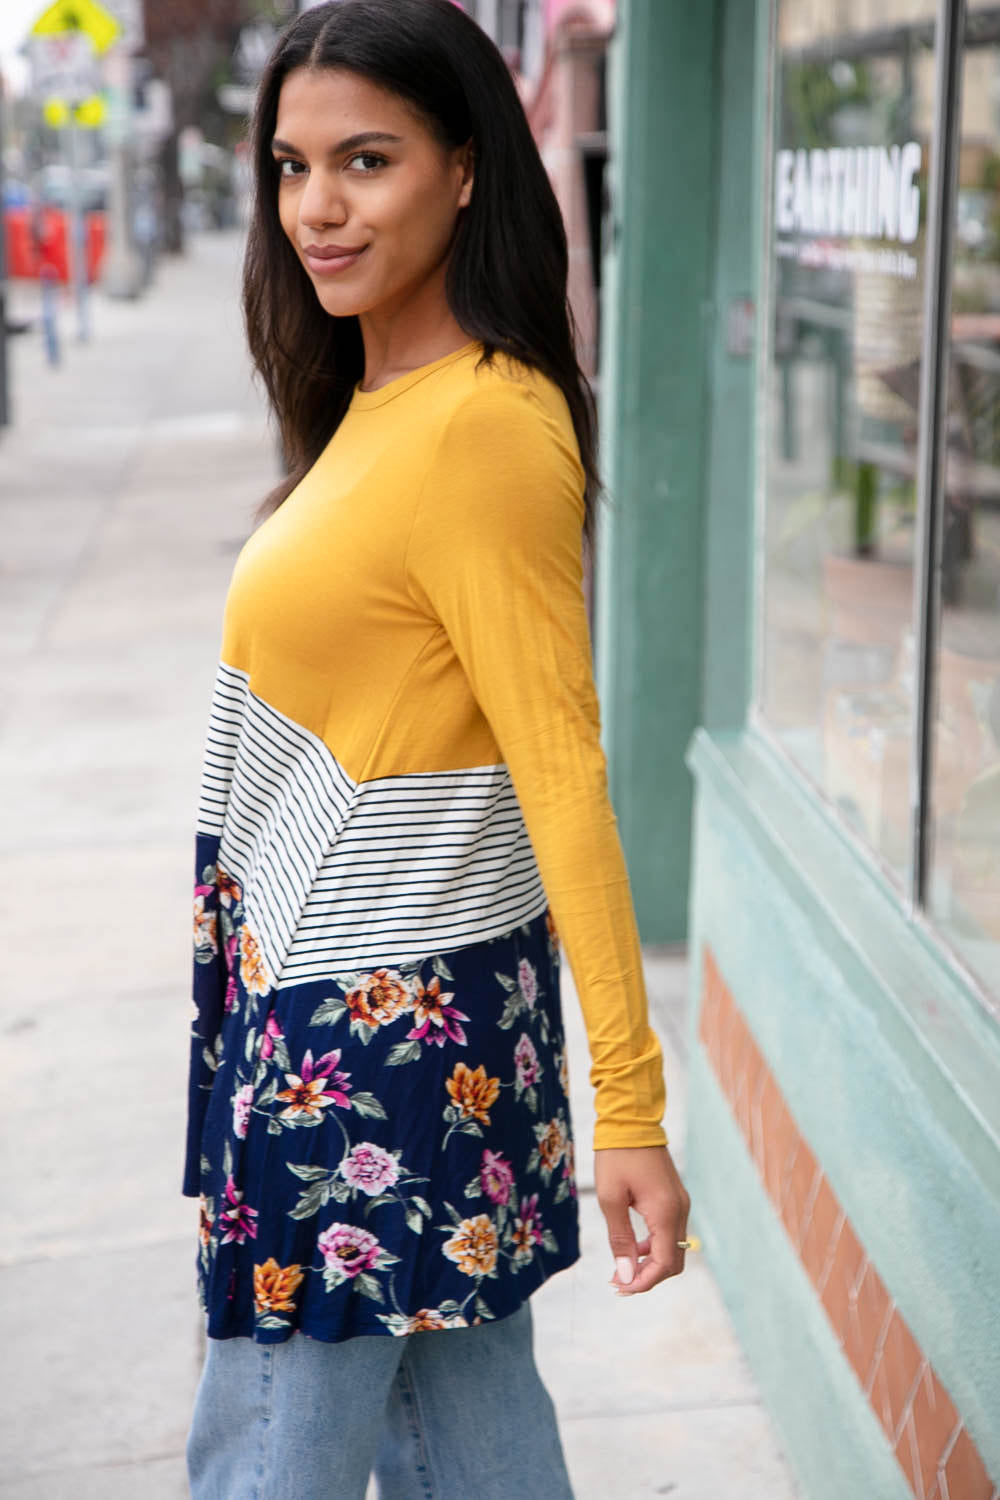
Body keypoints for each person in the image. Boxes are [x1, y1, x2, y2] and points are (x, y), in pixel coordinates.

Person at [183, 2, 690, 1495]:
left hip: (368, 1058)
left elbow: (564, 771)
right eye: (291, 165)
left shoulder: (480, 428)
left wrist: (635, 1109)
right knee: (468, 1443)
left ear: (468, 171)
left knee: (269, 1456)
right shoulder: (378, 399)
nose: (317, 208)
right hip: (373, 1029)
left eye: (367, 160)